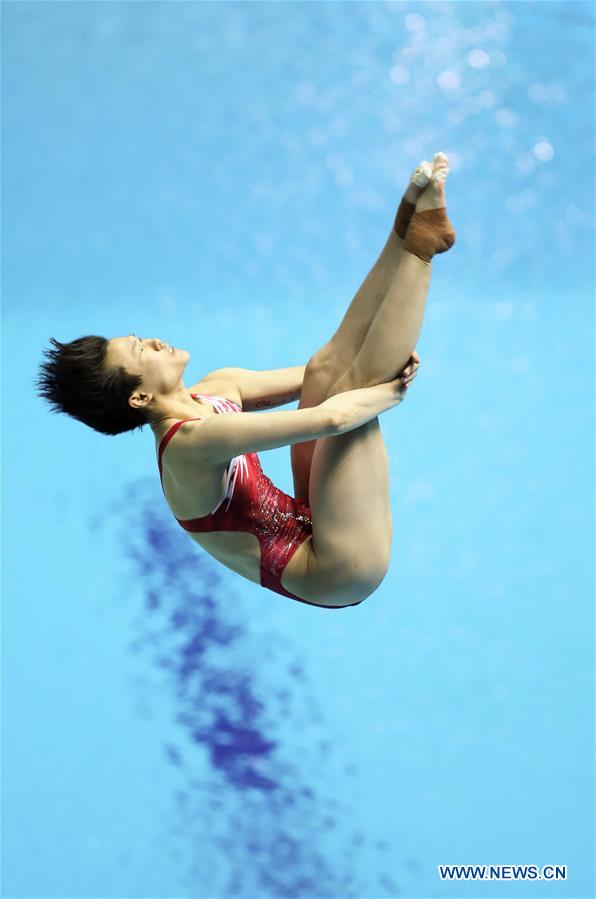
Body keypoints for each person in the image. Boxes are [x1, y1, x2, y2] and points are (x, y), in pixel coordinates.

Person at [36, 151, 455, 609]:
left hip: (313, 518)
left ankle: (400, 237)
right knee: (354, 393)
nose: (155, 341)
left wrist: (383, 353)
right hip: (338, 569)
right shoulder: (189, 446)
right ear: (139, 396)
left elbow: (325, 371)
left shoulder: (215, 388)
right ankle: (421, 250)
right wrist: (392, 387)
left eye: (141, 337)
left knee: (326, 369)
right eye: (141, 351)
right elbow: (334, 418)